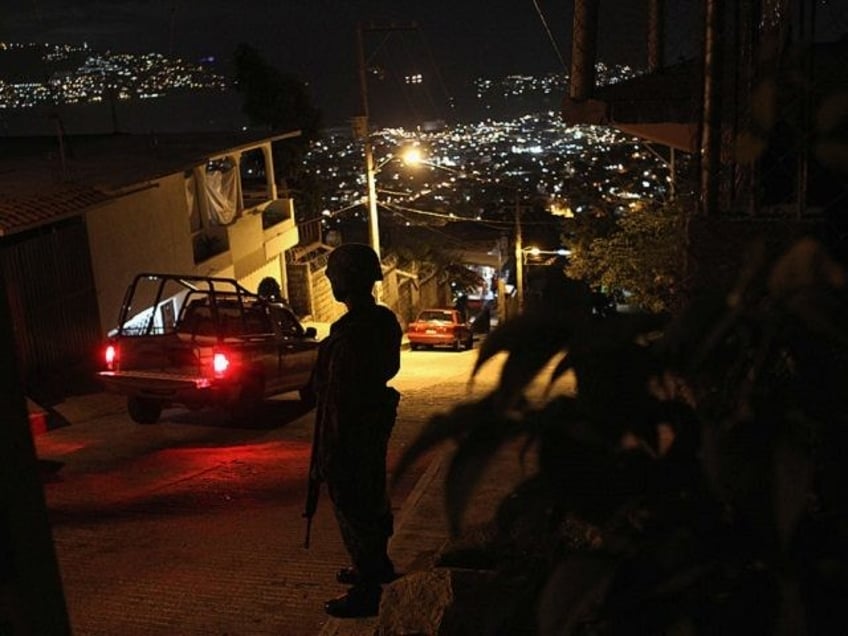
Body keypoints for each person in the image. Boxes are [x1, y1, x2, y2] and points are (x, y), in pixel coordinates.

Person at [309, 243, 402, 618]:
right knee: (371, 498)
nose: (330, 280)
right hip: (368, 427)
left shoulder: (354, 332)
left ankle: (368, 587)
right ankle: (375, 566)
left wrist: (327, 452)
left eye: (335, 275)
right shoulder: (381, 322)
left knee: (355, 506)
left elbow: (339, 396)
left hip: (351, 432)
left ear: (346, 280)